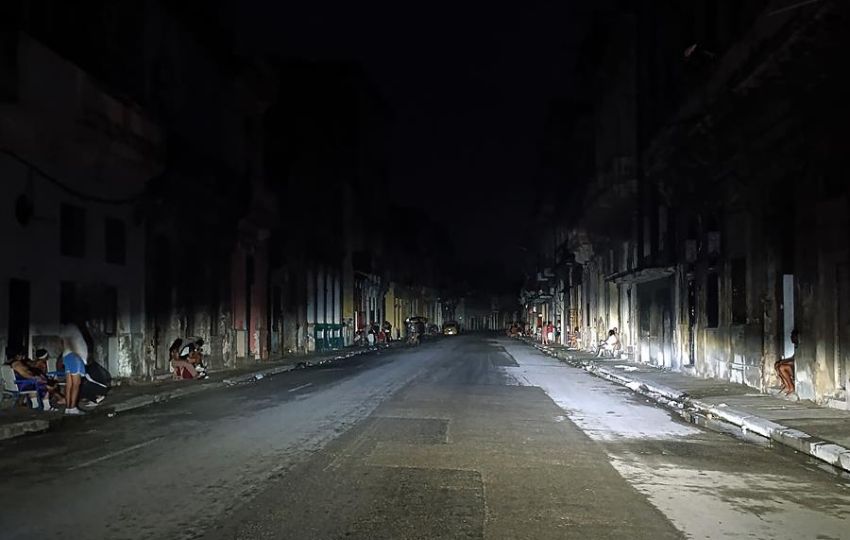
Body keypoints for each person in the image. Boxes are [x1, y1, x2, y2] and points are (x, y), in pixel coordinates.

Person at [60, 333, 87, 415]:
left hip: (66, 355)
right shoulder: (73, 328)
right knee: (76, 384)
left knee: (69, 385)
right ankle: (73, 408)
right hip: (75, 356)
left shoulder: (63, 329)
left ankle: (68, 408)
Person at [775, 328, 798, 395]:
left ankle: (791, 387)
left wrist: (786, 362)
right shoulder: (796, 346)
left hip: (797, 368)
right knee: (777, 365)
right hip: (793, 366)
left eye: (792, 336)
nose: (791, 337)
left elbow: (795, 361)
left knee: (782, 367)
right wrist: (783, 361)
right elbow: (793, 358)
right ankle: (786, 385)